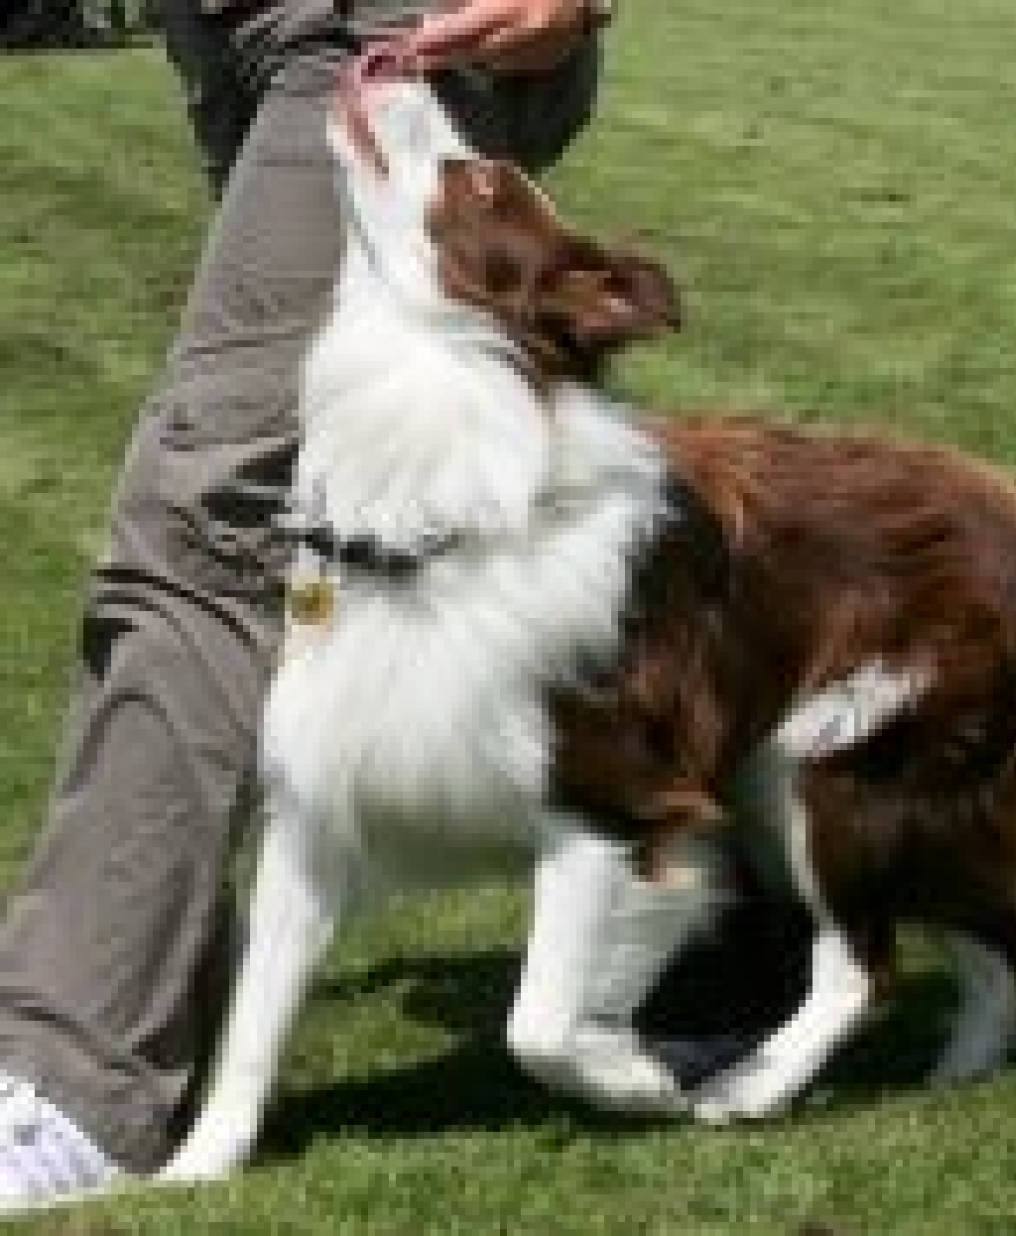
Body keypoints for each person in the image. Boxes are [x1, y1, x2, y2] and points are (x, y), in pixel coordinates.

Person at [0, 0, 607, 1211]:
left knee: (202, 515)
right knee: (329, 484)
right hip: (231, 23)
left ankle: (79, 1079)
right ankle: (725, 903)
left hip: (385, 25)